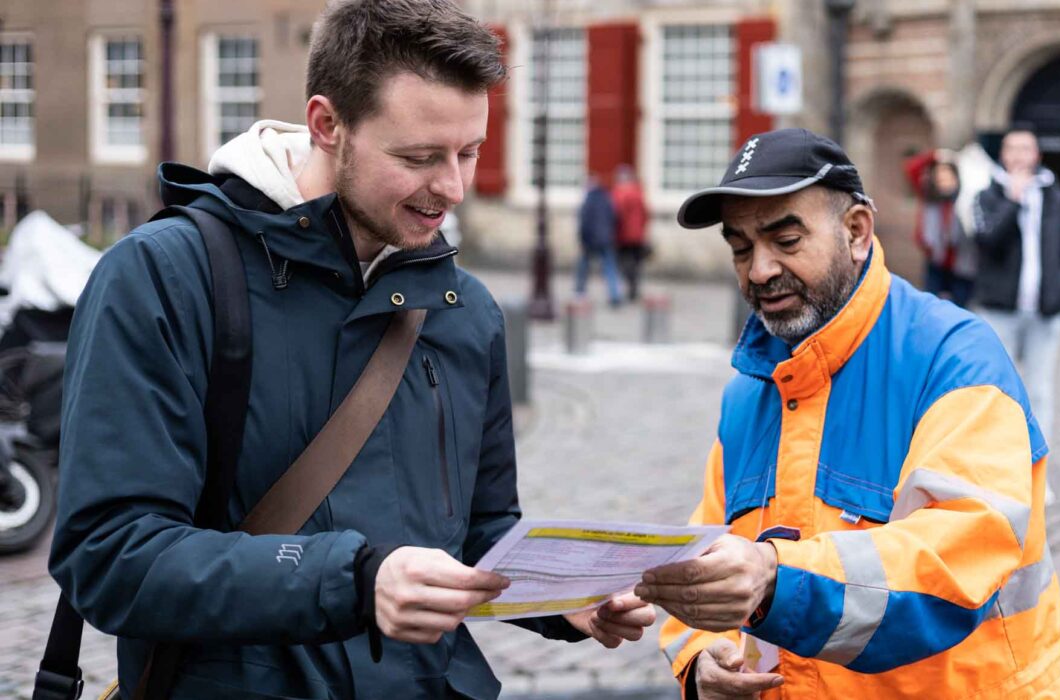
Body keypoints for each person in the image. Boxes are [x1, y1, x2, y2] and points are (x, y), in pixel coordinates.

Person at [48, 2, 653, 698]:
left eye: (469, 152)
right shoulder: (161, 277)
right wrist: (357, 582)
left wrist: (561, 599)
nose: (452, 188)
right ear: (327, 125)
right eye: (419, 158)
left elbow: (480, 529)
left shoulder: (466, 310)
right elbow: (112, 555)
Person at [635, 128, 1060, 698]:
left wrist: (776, 578)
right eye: (741, 248)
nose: (760, 269)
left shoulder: (955, 357)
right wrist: (701, 658)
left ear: (856, 232)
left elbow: (957, 556)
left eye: (786, 239)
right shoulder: (748, 394)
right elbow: (710, 553)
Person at [973, 127, 1060, 448]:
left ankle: (1037, 467)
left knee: (1039, 391)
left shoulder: (1057, 196)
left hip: (1044, 313)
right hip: (1000, 312)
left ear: (1036, 155)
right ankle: (998, 466)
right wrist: (1013, 200)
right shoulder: (987, 195)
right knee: (998, 391)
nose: (1019, 156)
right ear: (1003, 155)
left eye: (1026, 149)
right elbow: (986, 241)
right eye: (1013, 149)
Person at [903, 148, 975, 307]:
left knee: (961, 309)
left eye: (948, 177)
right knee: (932, 307)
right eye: (940, 178)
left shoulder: (966, 198)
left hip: (963, 265)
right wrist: (935, 154)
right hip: (936, 262)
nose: (944, 182)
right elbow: (912, 168)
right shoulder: (930, 197)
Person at [575, 173, 623, 306]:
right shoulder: (607, 199)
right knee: (610, 267)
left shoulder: (588, 201)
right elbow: (615, 218)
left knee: (583, 267)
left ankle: (580, 292)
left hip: (590, 239)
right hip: (606, 238)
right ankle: (615, 294)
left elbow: (584, 222)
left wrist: (582, 239)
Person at [611, 164, 650, 302]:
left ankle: (629, 286)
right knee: (636, 263)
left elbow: (617, 213)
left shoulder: (619, 193)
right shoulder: (638, 192)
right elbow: (646, 213)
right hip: (638, 234)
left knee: (623, 262)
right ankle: (634, 287)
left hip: (624, 235)